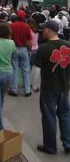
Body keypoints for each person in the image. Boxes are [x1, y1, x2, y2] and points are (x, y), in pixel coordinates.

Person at [34, 20, 70, 155]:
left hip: (48, 88)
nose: (42, 31)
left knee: (49, 116)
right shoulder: (68, 45)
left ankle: (50, 146)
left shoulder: (43, 48)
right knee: (65, 115)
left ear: (49, 30)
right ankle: (68, 143)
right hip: (64, 87)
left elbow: (36, 70)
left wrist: (35, 85)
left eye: (44, 29)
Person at [9, 10, 32, 97]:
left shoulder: (12, 26)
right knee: (25, 70)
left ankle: (14, 90)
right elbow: (30, 41)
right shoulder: (27, 26)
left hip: (14, 48)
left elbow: (9, 38)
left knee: (14, 69)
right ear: (24, 17)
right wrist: (29, 50)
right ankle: (27, 90)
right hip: (24, 49)